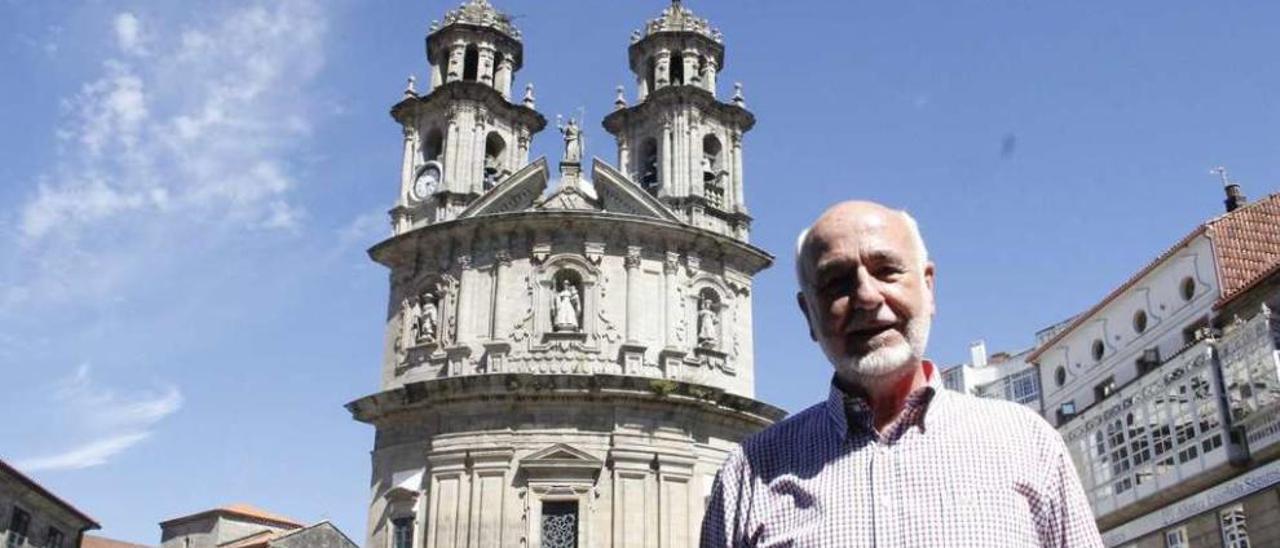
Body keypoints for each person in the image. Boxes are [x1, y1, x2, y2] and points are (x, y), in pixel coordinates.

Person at [700, 201, 1102, 547]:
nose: (866, 297)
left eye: (886, 270)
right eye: (836, 282)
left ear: (929, 288)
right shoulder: (748, 474)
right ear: (809, 314)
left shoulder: (1027, 444)